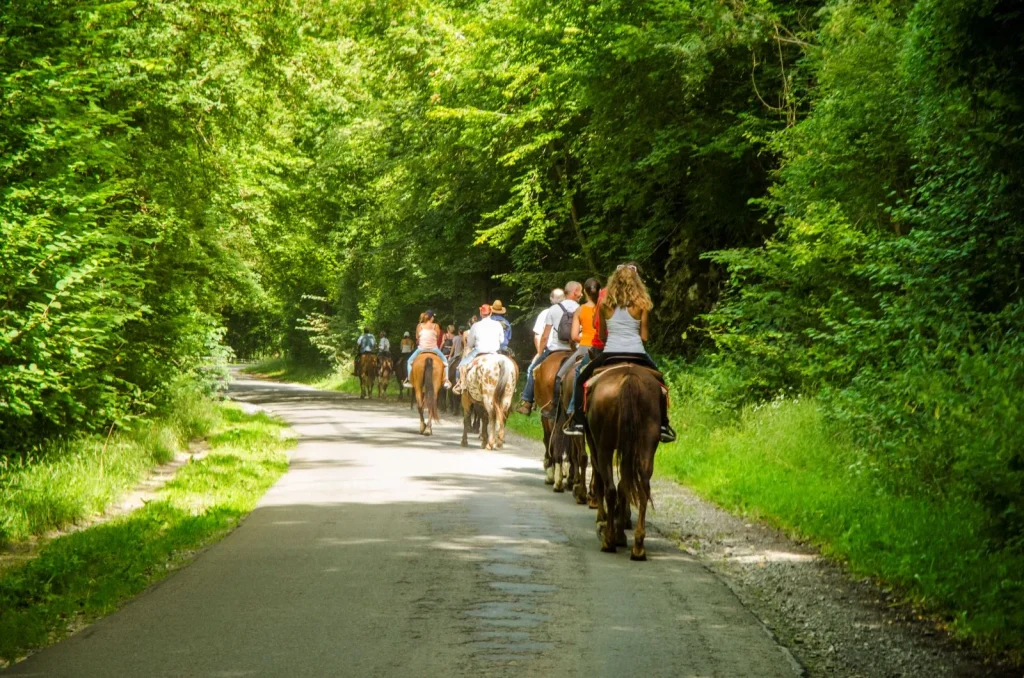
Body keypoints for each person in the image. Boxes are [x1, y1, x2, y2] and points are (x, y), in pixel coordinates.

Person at [564, 264, 676, 443]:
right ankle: (663, 424)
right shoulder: (642, 305)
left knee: (581, 380)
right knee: (661, 384)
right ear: (636, 283)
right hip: (637, 353)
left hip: (611, 353)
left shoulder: (605, 305)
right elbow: (644, 336)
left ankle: (577, 423)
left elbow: (601, 335)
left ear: (613, 283)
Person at [515, 281, 583, 415]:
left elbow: (545, 336)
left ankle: (527, 401)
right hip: (575, 351)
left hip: (555, 349)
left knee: (533, 369)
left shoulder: (553, 309)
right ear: (575, 292)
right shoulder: (581, 308)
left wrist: (540, 353)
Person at [544, 278, 600, 419]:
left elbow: (574, 336)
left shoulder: (580, 310)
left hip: (584, 348)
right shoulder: (605, 308)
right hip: (602, 348)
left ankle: (556, 409)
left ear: (585, 293)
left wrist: (585, 339)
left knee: (560, 375)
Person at [452, 304, 506, 394]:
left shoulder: (476, 326)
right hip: (494, 352)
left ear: (481, 313)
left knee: (461, 365)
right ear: (491, 312)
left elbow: (470, 343)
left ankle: (461, 384)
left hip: (479, 351)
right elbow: (502, 340)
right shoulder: (498, 324)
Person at [402, 310, 450, 388]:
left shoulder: (419, 326)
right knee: (445, 361)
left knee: (409, 361)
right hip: (434, 349)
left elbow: (417, 337)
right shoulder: (436, 326)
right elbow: (437, 337)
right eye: (433, 316)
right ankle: (446, 380)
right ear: (431, 317)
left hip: (421, 349)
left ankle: (410, 380)